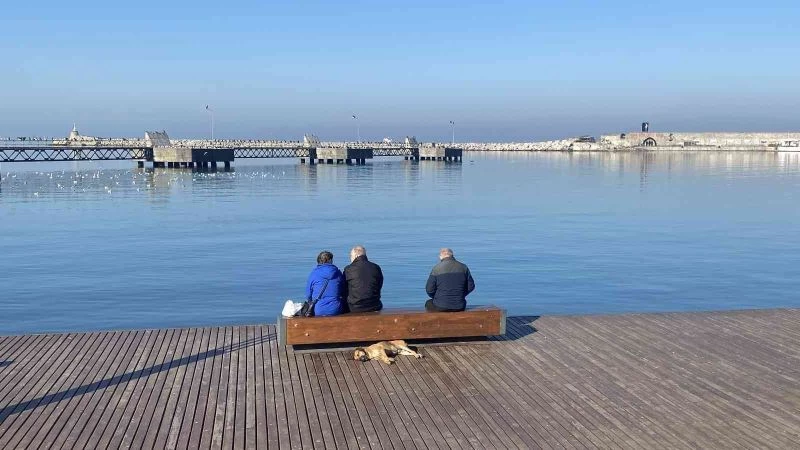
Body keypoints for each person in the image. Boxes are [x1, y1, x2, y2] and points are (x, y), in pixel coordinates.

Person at [343, 245, 384, 313]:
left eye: (351, 255)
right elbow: (379, 285)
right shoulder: (376, 267)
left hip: (354, 307)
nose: (350, 258)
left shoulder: (348, 269)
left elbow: (344, 288)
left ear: (356, 256)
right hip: (375, 305)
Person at [304, 250, 345, 316]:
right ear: (330, 261)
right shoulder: (338, 273)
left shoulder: (314, 274)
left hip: (318, 310)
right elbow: (343, 291)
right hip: (336, 309)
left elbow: (308, 295)